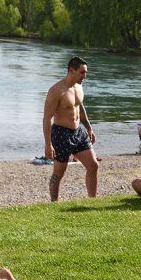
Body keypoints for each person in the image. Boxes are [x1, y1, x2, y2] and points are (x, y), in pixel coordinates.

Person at [43, 56, 99, 200]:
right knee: (59, 173)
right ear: (71, 71)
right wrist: (48, 145)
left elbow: (80, 107)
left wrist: (89, 128)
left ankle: (92, 200)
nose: (84, 76)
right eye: (82, 72)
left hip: (78, 132)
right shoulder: (56, 90)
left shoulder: (79, 87)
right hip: (61, 133)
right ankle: (54, 203)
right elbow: (46, 118)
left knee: (93, 166)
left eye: (86, 73)